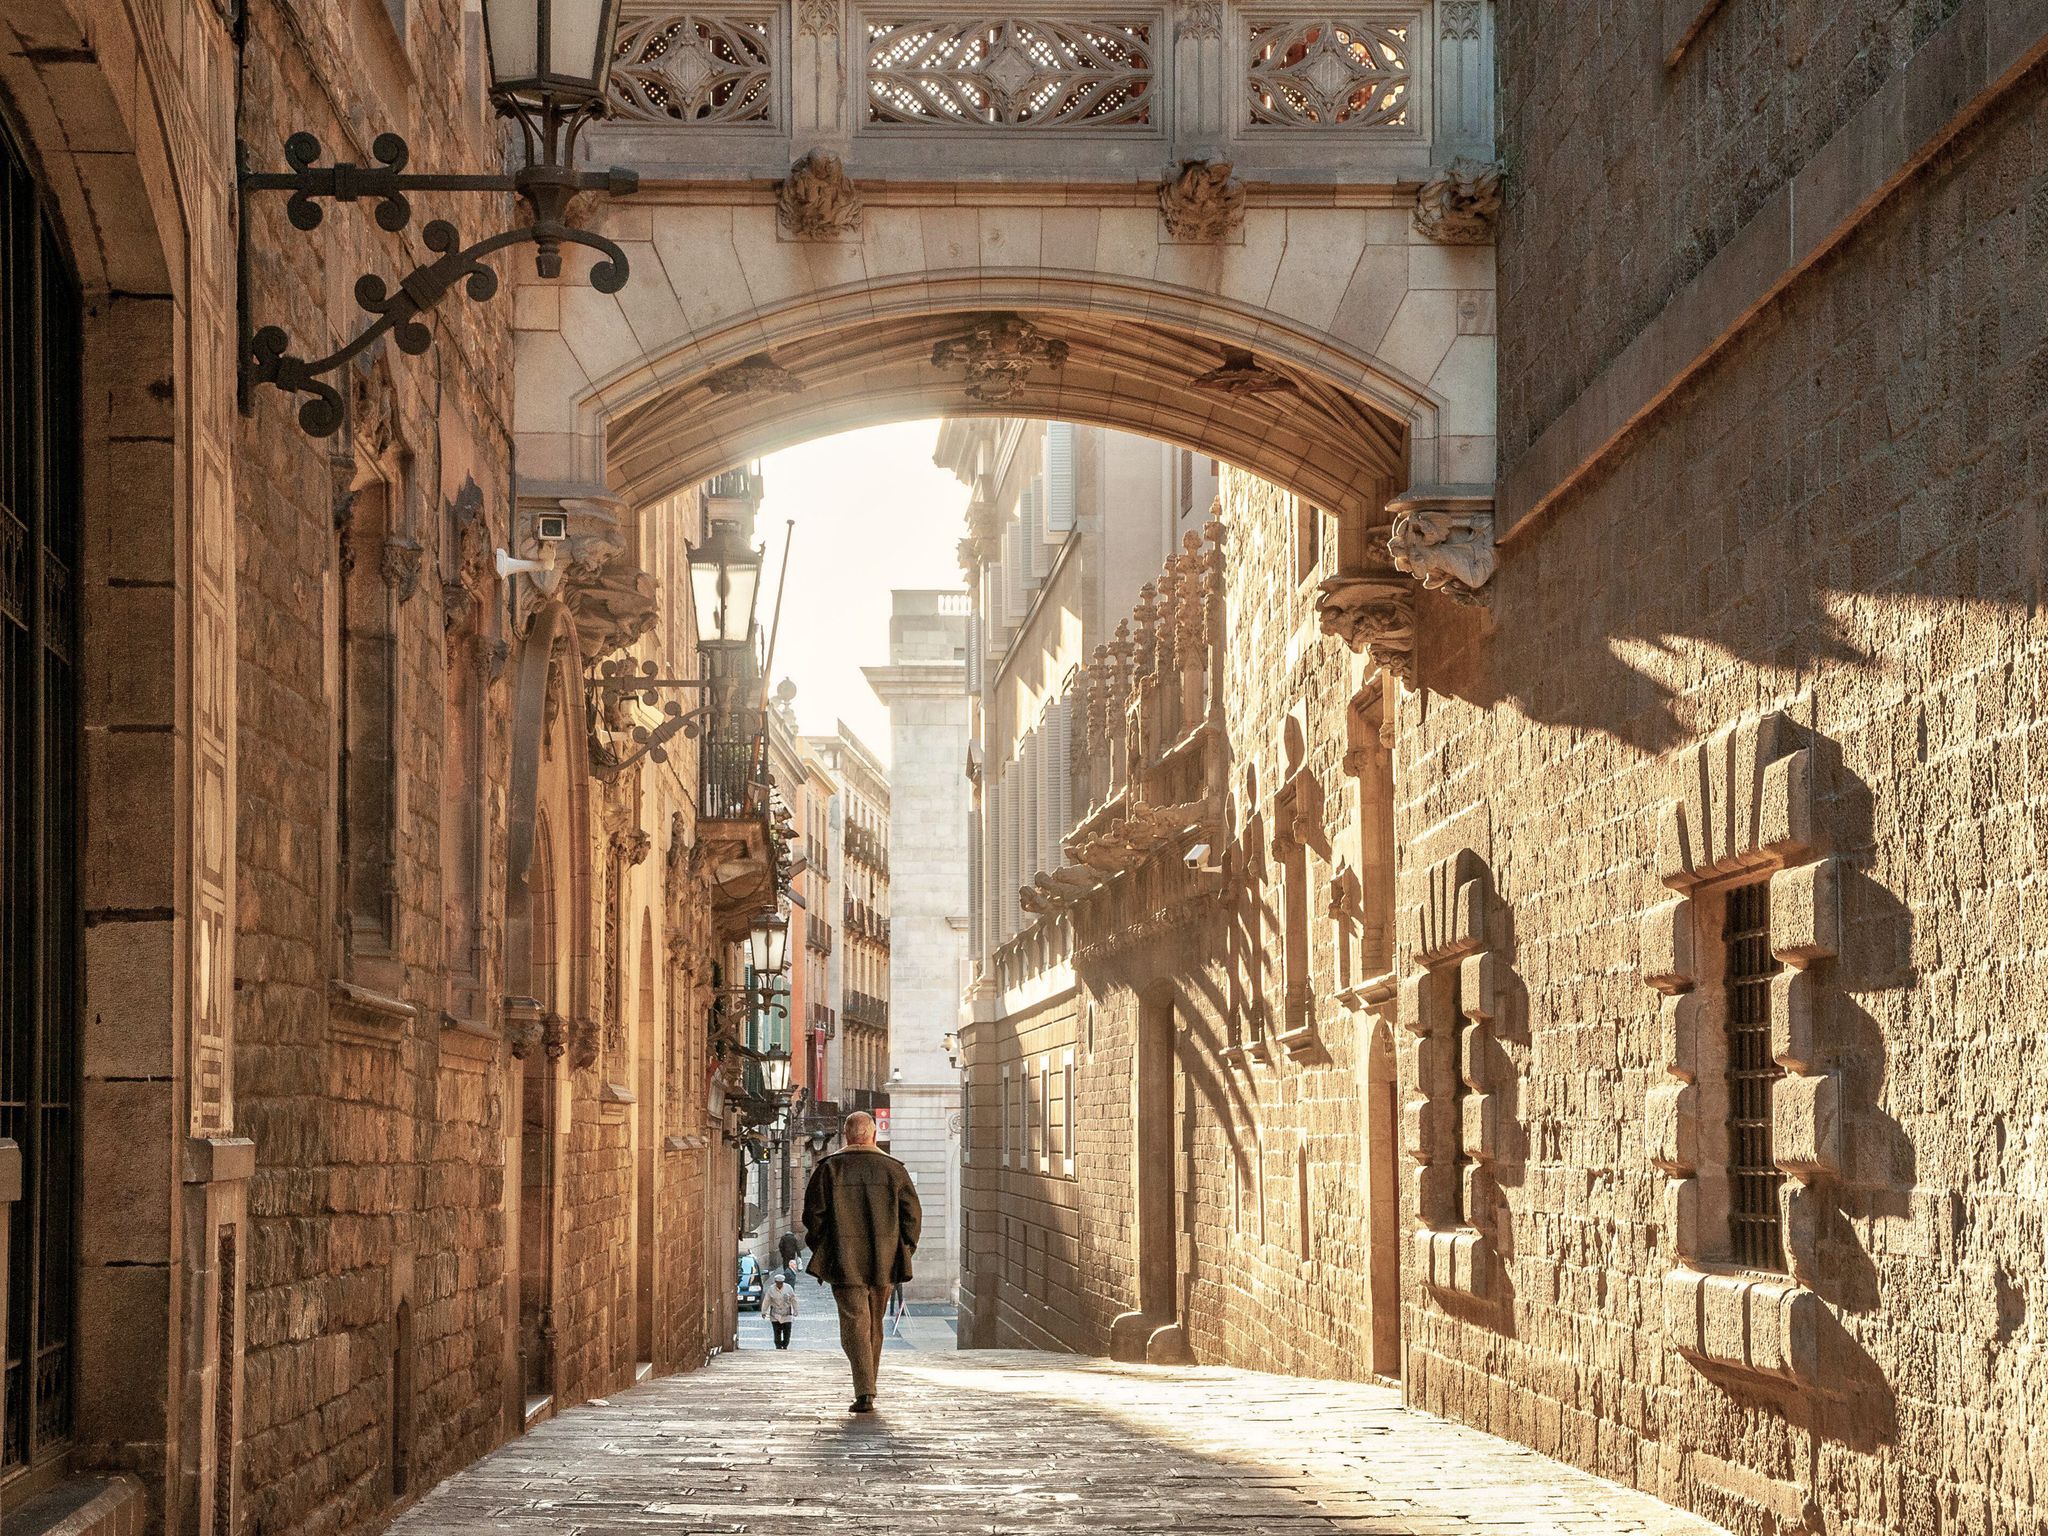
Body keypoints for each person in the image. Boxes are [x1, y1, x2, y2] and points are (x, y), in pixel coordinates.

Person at [800, 1110, 921, 1413]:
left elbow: (812, 1217)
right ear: (873, 1135)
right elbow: (912, 1217)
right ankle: (868, 1386)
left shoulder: (829, 1169)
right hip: (884, 1260)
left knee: (855, 1323)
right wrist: (903, 1250)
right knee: (874, 1324)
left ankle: (865, 1389)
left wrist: (824, 1248)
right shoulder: (894, 1170)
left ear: (846, 1135)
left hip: (844, 1260)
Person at [763, 1271, 800, 1350]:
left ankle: (785, 1345)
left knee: (787, 1332)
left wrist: (796, 1310)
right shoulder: (771, 1289)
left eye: (781, 1283)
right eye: (778, 1283)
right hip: (775, 1314)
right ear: (775, 1282)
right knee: (777, 1332)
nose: (779, 1285)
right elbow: (767, 1300)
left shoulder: (788, 1288)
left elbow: (793, 1299)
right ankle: (778, 1346)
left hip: (786, 1313)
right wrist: (764, 1311)